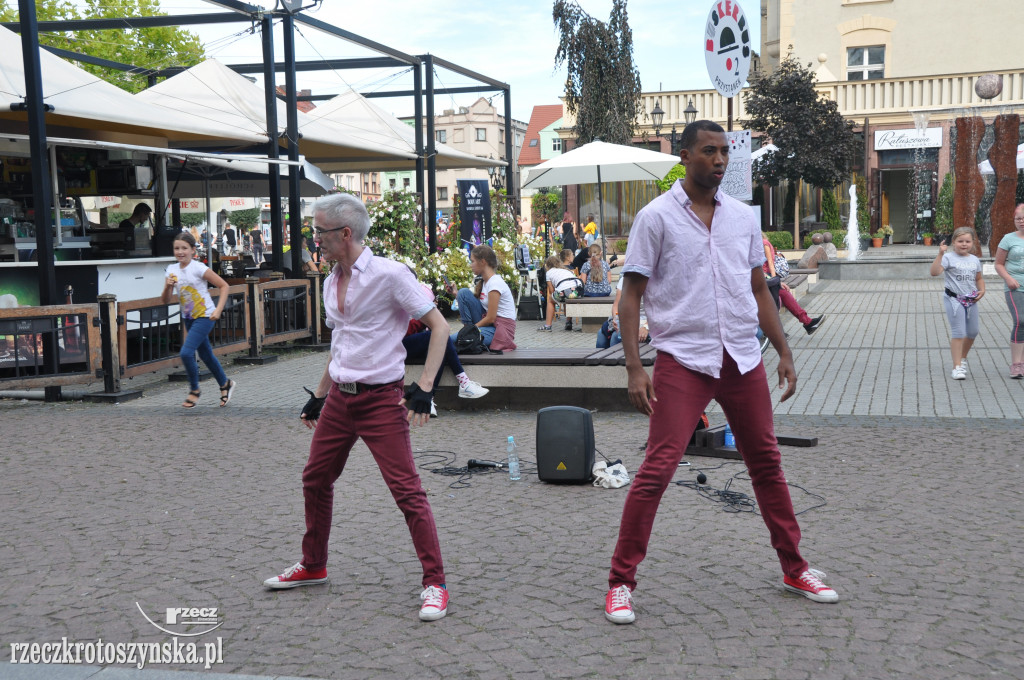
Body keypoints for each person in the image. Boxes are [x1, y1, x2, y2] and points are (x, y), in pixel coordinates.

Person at [603, 120, 839, 626]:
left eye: (724, 152)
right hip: (684, 359)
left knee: (767, 463)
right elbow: (631, 298)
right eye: (709, 151)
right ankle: (621, 582)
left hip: (741, 358)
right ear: (684, 156)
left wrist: (783, 350)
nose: (720, 160)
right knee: (657, 469)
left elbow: (759, 290)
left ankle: (794, 568)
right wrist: (633, 367)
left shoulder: (742, 218)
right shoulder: (656, 218)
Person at [262, 192, 452, 623]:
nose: (314, 240)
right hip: (340, 400)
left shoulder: (389, 275)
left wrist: (424, 387)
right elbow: (341, 344)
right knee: (315, 478)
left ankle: (435, 583)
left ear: (345, 233)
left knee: (407, 492)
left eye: (319, 233)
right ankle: (314, 565)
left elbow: (440, 327)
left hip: (381, 400)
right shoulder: (331, 280)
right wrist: (320, 394)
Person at [160, 231, 237, 409]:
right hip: (188, 317)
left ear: (193, 250)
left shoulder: (198, 268)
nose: (180, 252)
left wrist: (218, 310)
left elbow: (224, 286)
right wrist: (168, 287)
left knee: (186, 353)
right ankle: (225, 384)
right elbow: (165, 300)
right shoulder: (171, 270)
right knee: (205, 354)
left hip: (205, 315)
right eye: (176, 248)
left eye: (184, 248)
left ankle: (195, 390)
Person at [403, 283, 489, 414]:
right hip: (397, 345)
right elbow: (402, 330)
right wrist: (425, 319)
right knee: (439, 336)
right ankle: (464, 382)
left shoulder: (411, 293)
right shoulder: (399, 296)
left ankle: (429, 399)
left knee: (440, 344)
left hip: (410, 342)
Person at [930, 226, 985, 380]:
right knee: (958, 332)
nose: (964, 244)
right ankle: (957, 367)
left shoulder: (974, 259)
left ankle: (962, 358)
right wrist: (940, 254)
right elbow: (934, 273)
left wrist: (982, 290)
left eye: (967, 241)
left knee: (973, 332)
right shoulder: (948, 258)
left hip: (971, 299)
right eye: (960, 241)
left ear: (973, 243)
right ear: (953, 242)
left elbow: (979, 279)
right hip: (953, 299)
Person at [450, 245, 517, 351]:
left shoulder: (495, 283)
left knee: (451, 340)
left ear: (483, 262)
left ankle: (467, 334)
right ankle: (467, 333)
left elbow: (491, 318)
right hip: (489, 324)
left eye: (472, 261)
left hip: (499, 329)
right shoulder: (486, 282)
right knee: (463, 293)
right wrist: (455, 293)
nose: (470, 265)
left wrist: (472, 329)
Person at [762, 233, 825, 334]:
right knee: (782, 296)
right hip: (765, 281)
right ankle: (805, 323)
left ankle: (805, 323)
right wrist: (775, 281)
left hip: (766, 280)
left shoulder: (758, 244)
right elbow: (770, 263)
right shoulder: (764, 243)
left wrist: (777, 282)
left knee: (783, 295)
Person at [994, 202, 1024, 378]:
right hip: (1015, 286)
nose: (1021, 221)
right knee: (1020, 320)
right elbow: (998, 264)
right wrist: (1008, 278)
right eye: (1018, 218)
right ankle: (1016, 364)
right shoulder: (1008, 238)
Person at [596, 278, 649, 349]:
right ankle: (599, 359)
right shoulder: (625, 279)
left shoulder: (653, 280)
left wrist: (646, 327)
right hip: (627, 319)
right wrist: (615, 317)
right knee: (601, 335)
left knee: (616, 337)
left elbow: (659, 312)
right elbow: (616, 304)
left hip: (647, 321)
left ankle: (615, 359)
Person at [538, 255, 579, 331]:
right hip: (577, 291)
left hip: (564, 291)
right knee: (568, 298)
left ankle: (548, 326)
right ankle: (568, 322)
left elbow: (551, 291)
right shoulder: (566, 270)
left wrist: (556, 299)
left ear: (548, 265)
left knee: (551, 299)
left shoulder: (549, 273)